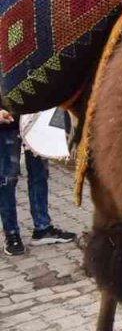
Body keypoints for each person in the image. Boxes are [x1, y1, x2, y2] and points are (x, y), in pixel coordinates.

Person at [2, 109, 77, 256]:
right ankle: (11, 235)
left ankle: (43, 229)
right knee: (7, 180)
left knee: (39, 174)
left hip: (36, 120)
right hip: (6, 124)